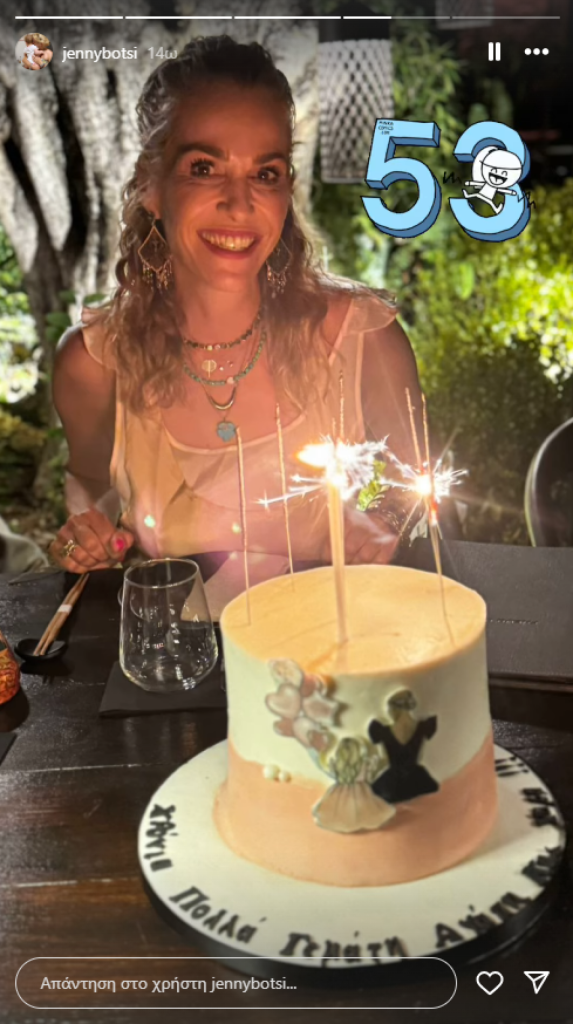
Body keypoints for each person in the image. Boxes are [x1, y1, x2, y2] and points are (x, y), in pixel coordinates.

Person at [50, 35, 424, 578]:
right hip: (177, 635)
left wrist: (381, 522)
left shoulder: (362, 340)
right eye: (204, 167)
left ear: (286, 191)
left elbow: (415, 493)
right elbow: (90, 484)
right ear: (151, 185)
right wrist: (87, 534)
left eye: (265, 174)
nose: (239, 203)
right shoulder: (94, 364)